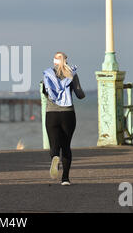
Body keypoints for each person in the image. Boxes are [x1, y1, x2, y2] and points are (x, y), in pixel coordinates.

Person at [42, 52, 85, 186]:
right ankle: (65, 179)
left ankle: (55, 157)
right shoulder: (72, 74)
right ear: (66, 61)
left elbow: (45, 92)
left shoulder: (47, 74)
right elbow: (79, 94)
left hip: (52, 114)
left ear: (54, 61)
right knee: (66, 146)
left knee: (54, 145)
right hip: (68, 114)